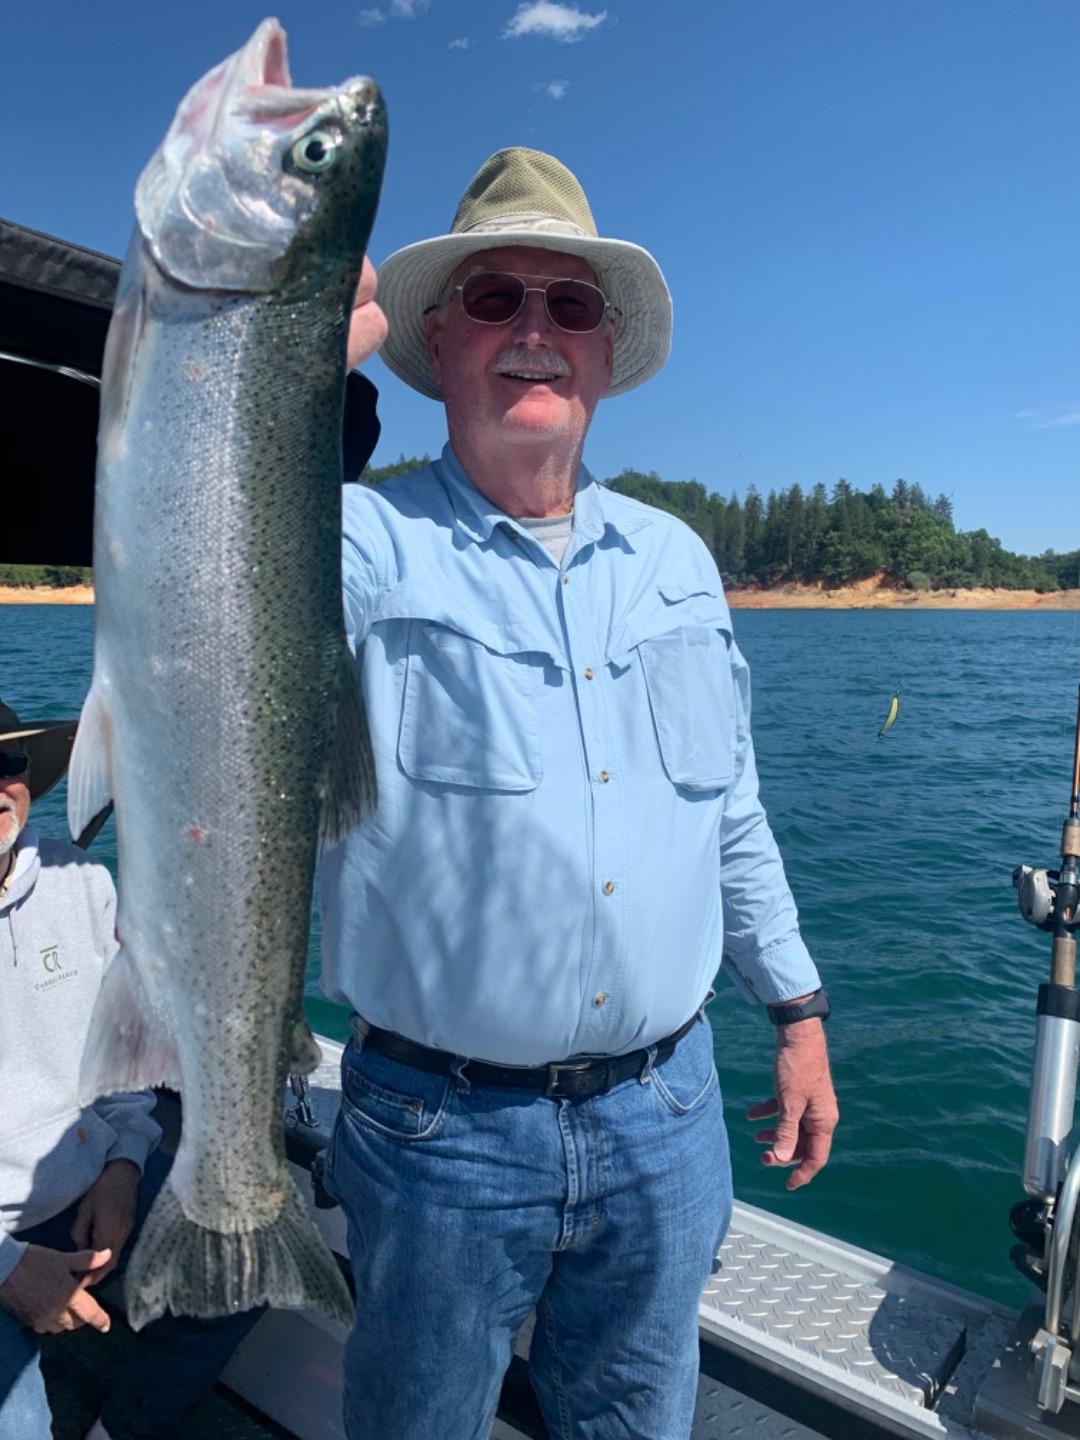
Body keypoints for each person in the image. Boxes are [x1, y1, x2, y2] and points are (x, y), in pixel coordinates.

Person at [322, 147, 840, 1439]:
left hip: (670, 1114)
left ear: (606, 353)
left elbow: (730, 808)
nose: (536, 336)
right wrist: (289, 358)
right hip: (434, 1133)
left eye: (572, 307)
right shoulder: (358, 547)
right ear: (438, 344)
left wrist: (797, 1004)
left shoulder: (676, 560)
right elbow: (197, 550)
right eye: (496, 301)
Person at [0, 701, 261, 1440]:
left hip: (87, 1186)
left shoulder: (79, 880)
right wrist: (8, 1266)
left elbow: (121, 1057)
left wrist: (122, 1164)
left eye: (7, 764)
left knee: (239, 1266)